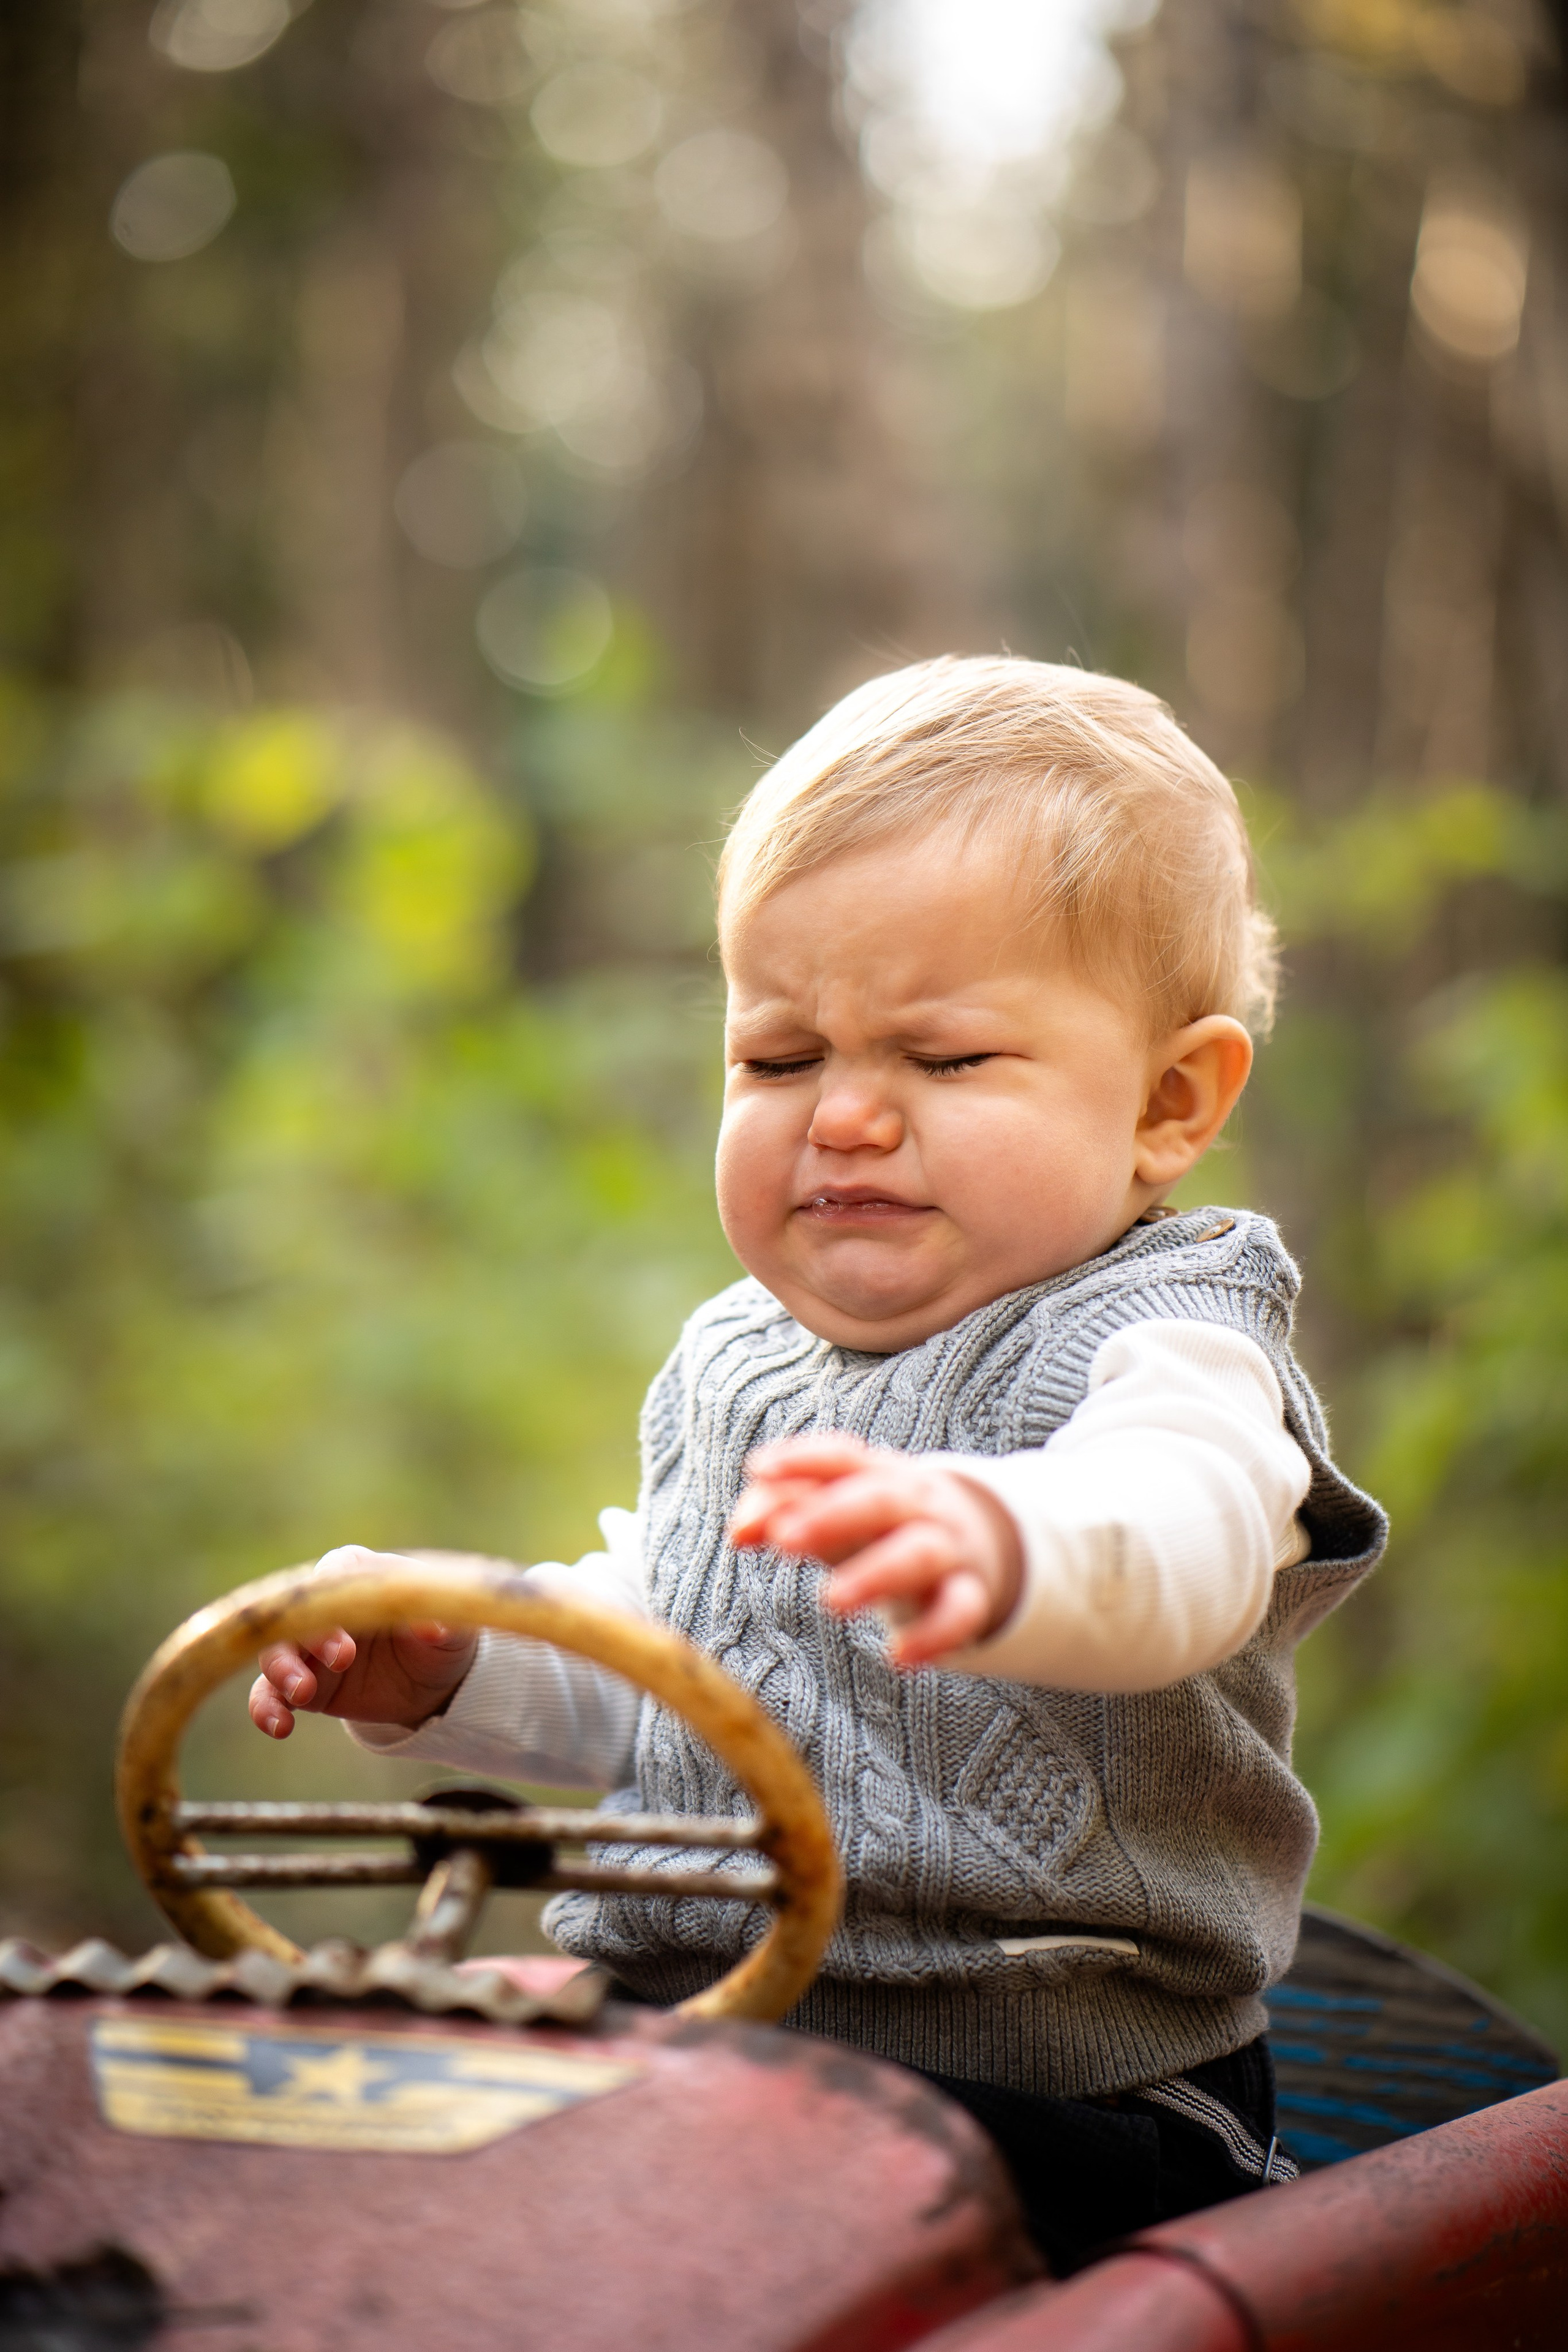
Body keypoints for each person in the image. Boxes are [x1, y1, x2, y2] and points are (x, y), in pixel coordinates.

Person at [247, 658, 1385, 2271]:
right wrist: (459, 1664)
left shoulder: (1171, 1345)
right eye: (780, 1060)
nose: (844, 1117)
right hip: (707, 2041)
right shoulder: (742, 1359)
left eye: (946, 1059)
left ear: (1167, 1101)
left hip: (1058, 2098)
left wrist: (1010, 1541)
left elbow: (1178, 1538)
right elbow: (687, 1675)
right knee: (360, 2159)